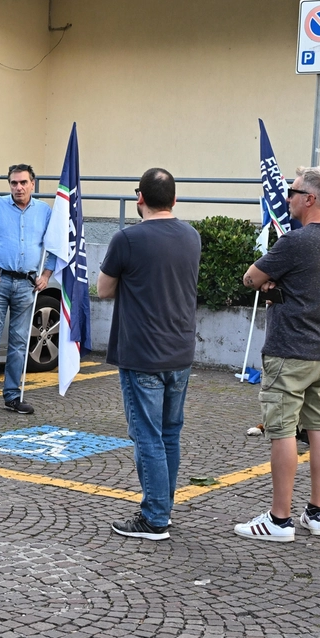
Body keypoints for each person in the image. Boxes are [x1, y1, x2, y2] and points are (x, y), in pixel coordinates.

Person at [235, 166, 320, 543]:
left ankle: (279, 519)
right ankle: (316, 512)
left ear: (310, 199)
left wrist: (270, 283)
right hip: (319, 350)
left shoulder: (296, 242)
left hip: (288, 350)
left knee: (281, 431)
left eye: (294, 191)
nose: (288, 197)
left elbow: (250, 278)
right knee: (318, 428)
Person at [98, 168, 200, 542]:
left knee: (148, 436)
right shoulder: (192, 236)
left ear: (139, 197)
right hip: (180, 350)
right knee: (169, 433)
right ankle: (163, 506)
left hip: (142, 352)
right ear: (174, 199)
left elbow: (104, 289)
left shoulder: (127, 238)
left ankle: (155, 516)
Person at [0, 164, 52, 416]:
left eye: (23, 182)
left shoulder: (44, 212)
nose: (19, 187)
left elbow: (55, 246)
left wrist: (46, 275)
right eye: (14, 183)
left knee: (19, 343)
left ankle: (13, 396)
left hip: (27, 284)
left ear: (33, 184)